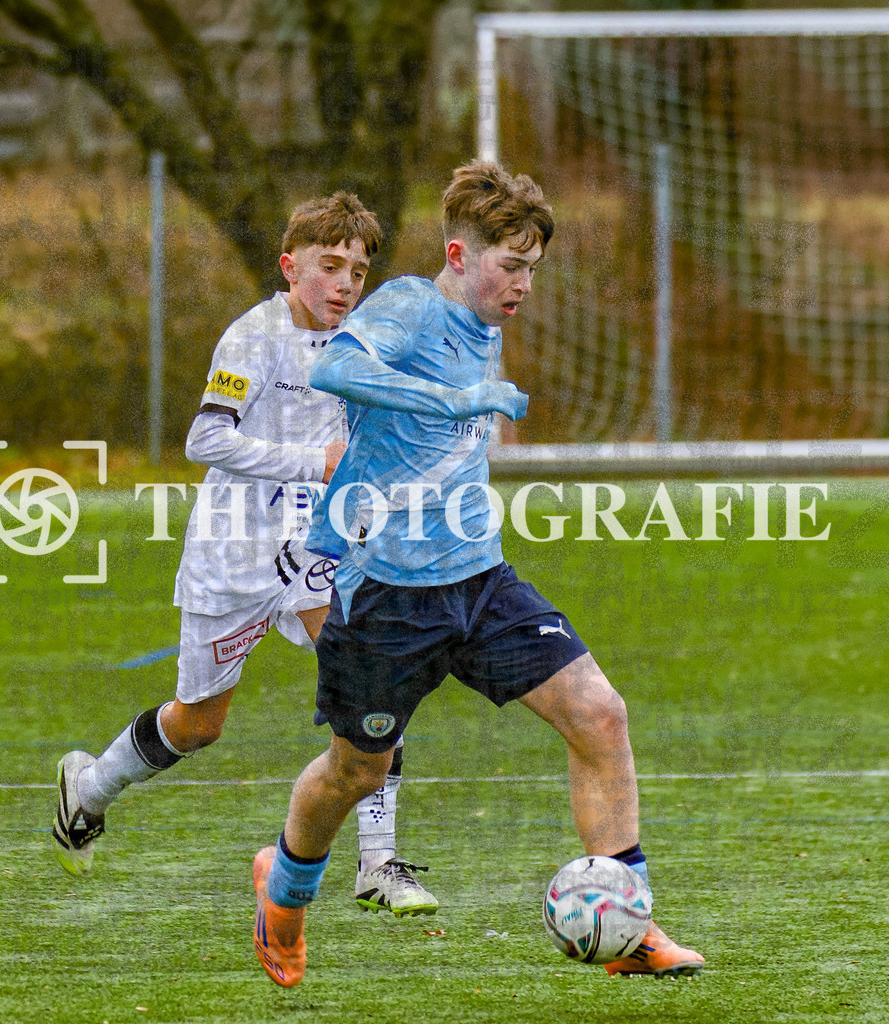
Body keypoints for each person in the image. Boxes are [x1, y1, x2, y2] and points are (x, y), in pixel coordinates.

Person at [251, 162, 705, 987]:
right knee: (357, 771)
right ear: (459, 253)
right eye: (511, 265)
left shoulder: (484, 317)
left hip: (479, 579)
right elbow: (334, 371)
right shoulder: (407, 307)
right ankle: (282, 892)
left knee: (599, 715)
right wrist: (451, 404)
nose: (523, 284)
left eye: (532, 268)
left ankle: (630, 921)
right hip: (386, 594)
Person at [52, 192, 437, 919]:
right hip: (231, 550)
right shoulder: (251, 338)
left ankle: (379, 864)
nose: (346, 283)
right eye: (330, 266)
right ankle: (91, 787)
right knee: (198, 724)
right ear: (290, 267)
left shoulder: (359, 338)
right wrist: (311, 461)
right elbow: (205, 441)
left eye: (358, 269)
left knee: (374, 682)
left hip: (316, 543)